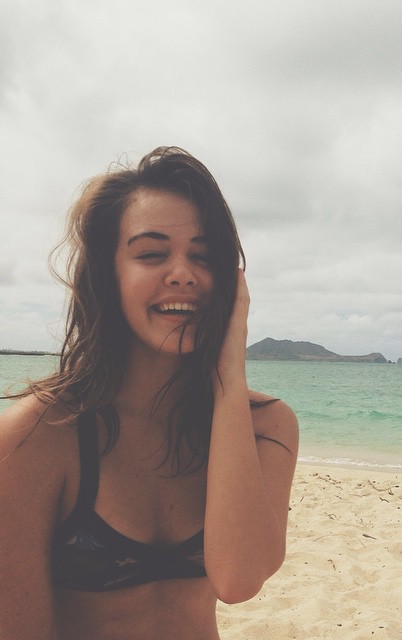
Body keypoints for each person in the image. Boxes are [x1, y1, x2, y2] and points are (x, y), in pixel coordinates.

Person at [0, 146, 299, 639]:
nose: (182, 272)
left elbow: (238, 579)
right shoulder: (37, 436)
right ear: (108, 275)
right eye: (151, 254)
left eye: (204, 256)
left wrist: (229, 375)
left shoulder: (266, 425)